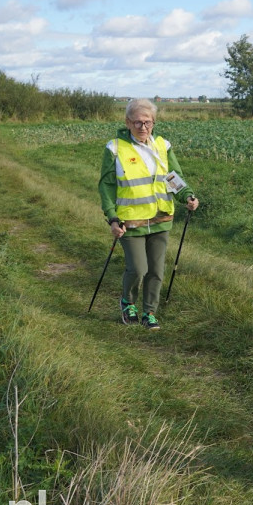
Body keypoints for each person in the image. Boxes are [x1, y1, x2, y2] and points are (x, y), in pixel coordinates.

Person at [98, 98, 198, 331]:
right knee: (138, 269)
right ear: (127, 122)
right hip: (130, 220)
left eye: (148, 122)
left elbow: (173, 177)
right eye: (138, 123)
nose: (143, 128)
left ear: (154, 123)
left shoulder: (162, 146)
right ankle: (128, 303)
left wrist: (188, 197)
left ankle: (149, 312)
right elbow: (106, 186)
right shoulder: (114, 148)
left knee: (156, 270)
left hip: (161, 218)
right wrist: (112, 217)